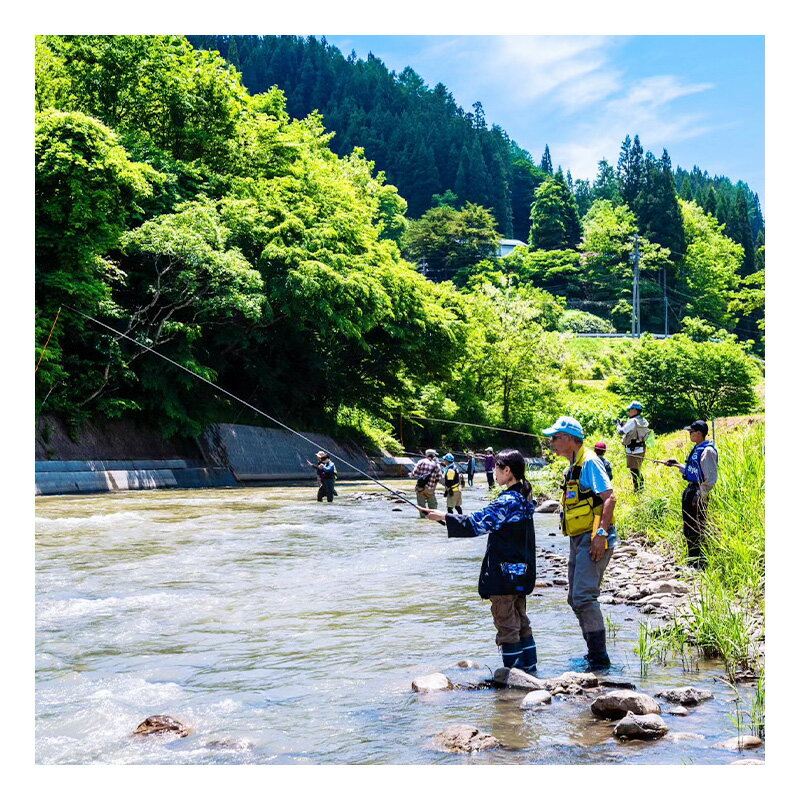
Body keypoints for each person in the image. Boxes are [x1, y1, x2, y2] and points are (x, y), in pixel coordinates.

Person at [423, 449, 537, 673]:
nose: (494, 471)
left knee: (506, 624)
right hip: (522, 571)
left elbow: (476, 524)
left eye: (497, 467)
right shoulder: (525, 496)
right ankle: (530, 670)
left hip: (504, 574)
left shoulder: (507, 500)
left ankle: (514, 676)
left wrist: (442, 517)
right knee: (521, 620)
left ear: (507, 471)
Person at [542, 415, 617, 670]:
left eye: (555, 437)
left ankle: (600, 660)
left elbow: (610, 498)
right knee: (574, 599)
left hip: (593, 537)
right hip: (578, 537)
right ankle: (593, 653)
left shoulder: (590, 463)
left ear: (570, 439)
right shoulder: (572, 465)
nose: (552, 442)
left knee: (584, 597)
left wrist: (601, 536)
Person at [663, 420, 718, 569]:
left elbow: (710, 478)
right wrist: (677, 465)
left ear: (699, 433)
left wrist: (701, 494)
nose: (689, 434)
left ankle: (699, 564)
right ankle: (692, 561)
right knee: (688, 527)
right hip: (691, 490)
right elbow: (693, 470)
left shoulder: (708, 451)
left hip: (698, 493)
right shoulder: (697, 448)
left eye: (691, 432)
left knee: (696, 527)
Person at [616, 401, 651, 492]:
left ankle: (637, 490)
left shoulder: (632, 421)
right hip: (641, 448)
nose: (629, 411)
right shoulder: (643, 420)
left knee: (633, 471)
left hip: (633, 450)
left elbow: (621, 432)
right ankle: (641, 488)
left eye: (630, 409)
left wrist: (618, 425)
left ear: (635, 410)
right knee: (637, 469)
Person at [410, 449, 443, 518]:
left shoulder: (420, 462)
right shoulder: (436, 465)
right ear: (433, 456)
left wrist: (411, 474)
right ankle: (432, 520)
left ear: (426, 455)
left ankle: (423, 519)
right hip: (430, 489)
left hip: (420, 488)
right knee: (433, 507)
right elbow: (439, 478)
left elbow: (414, 474)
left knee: (421, 507)